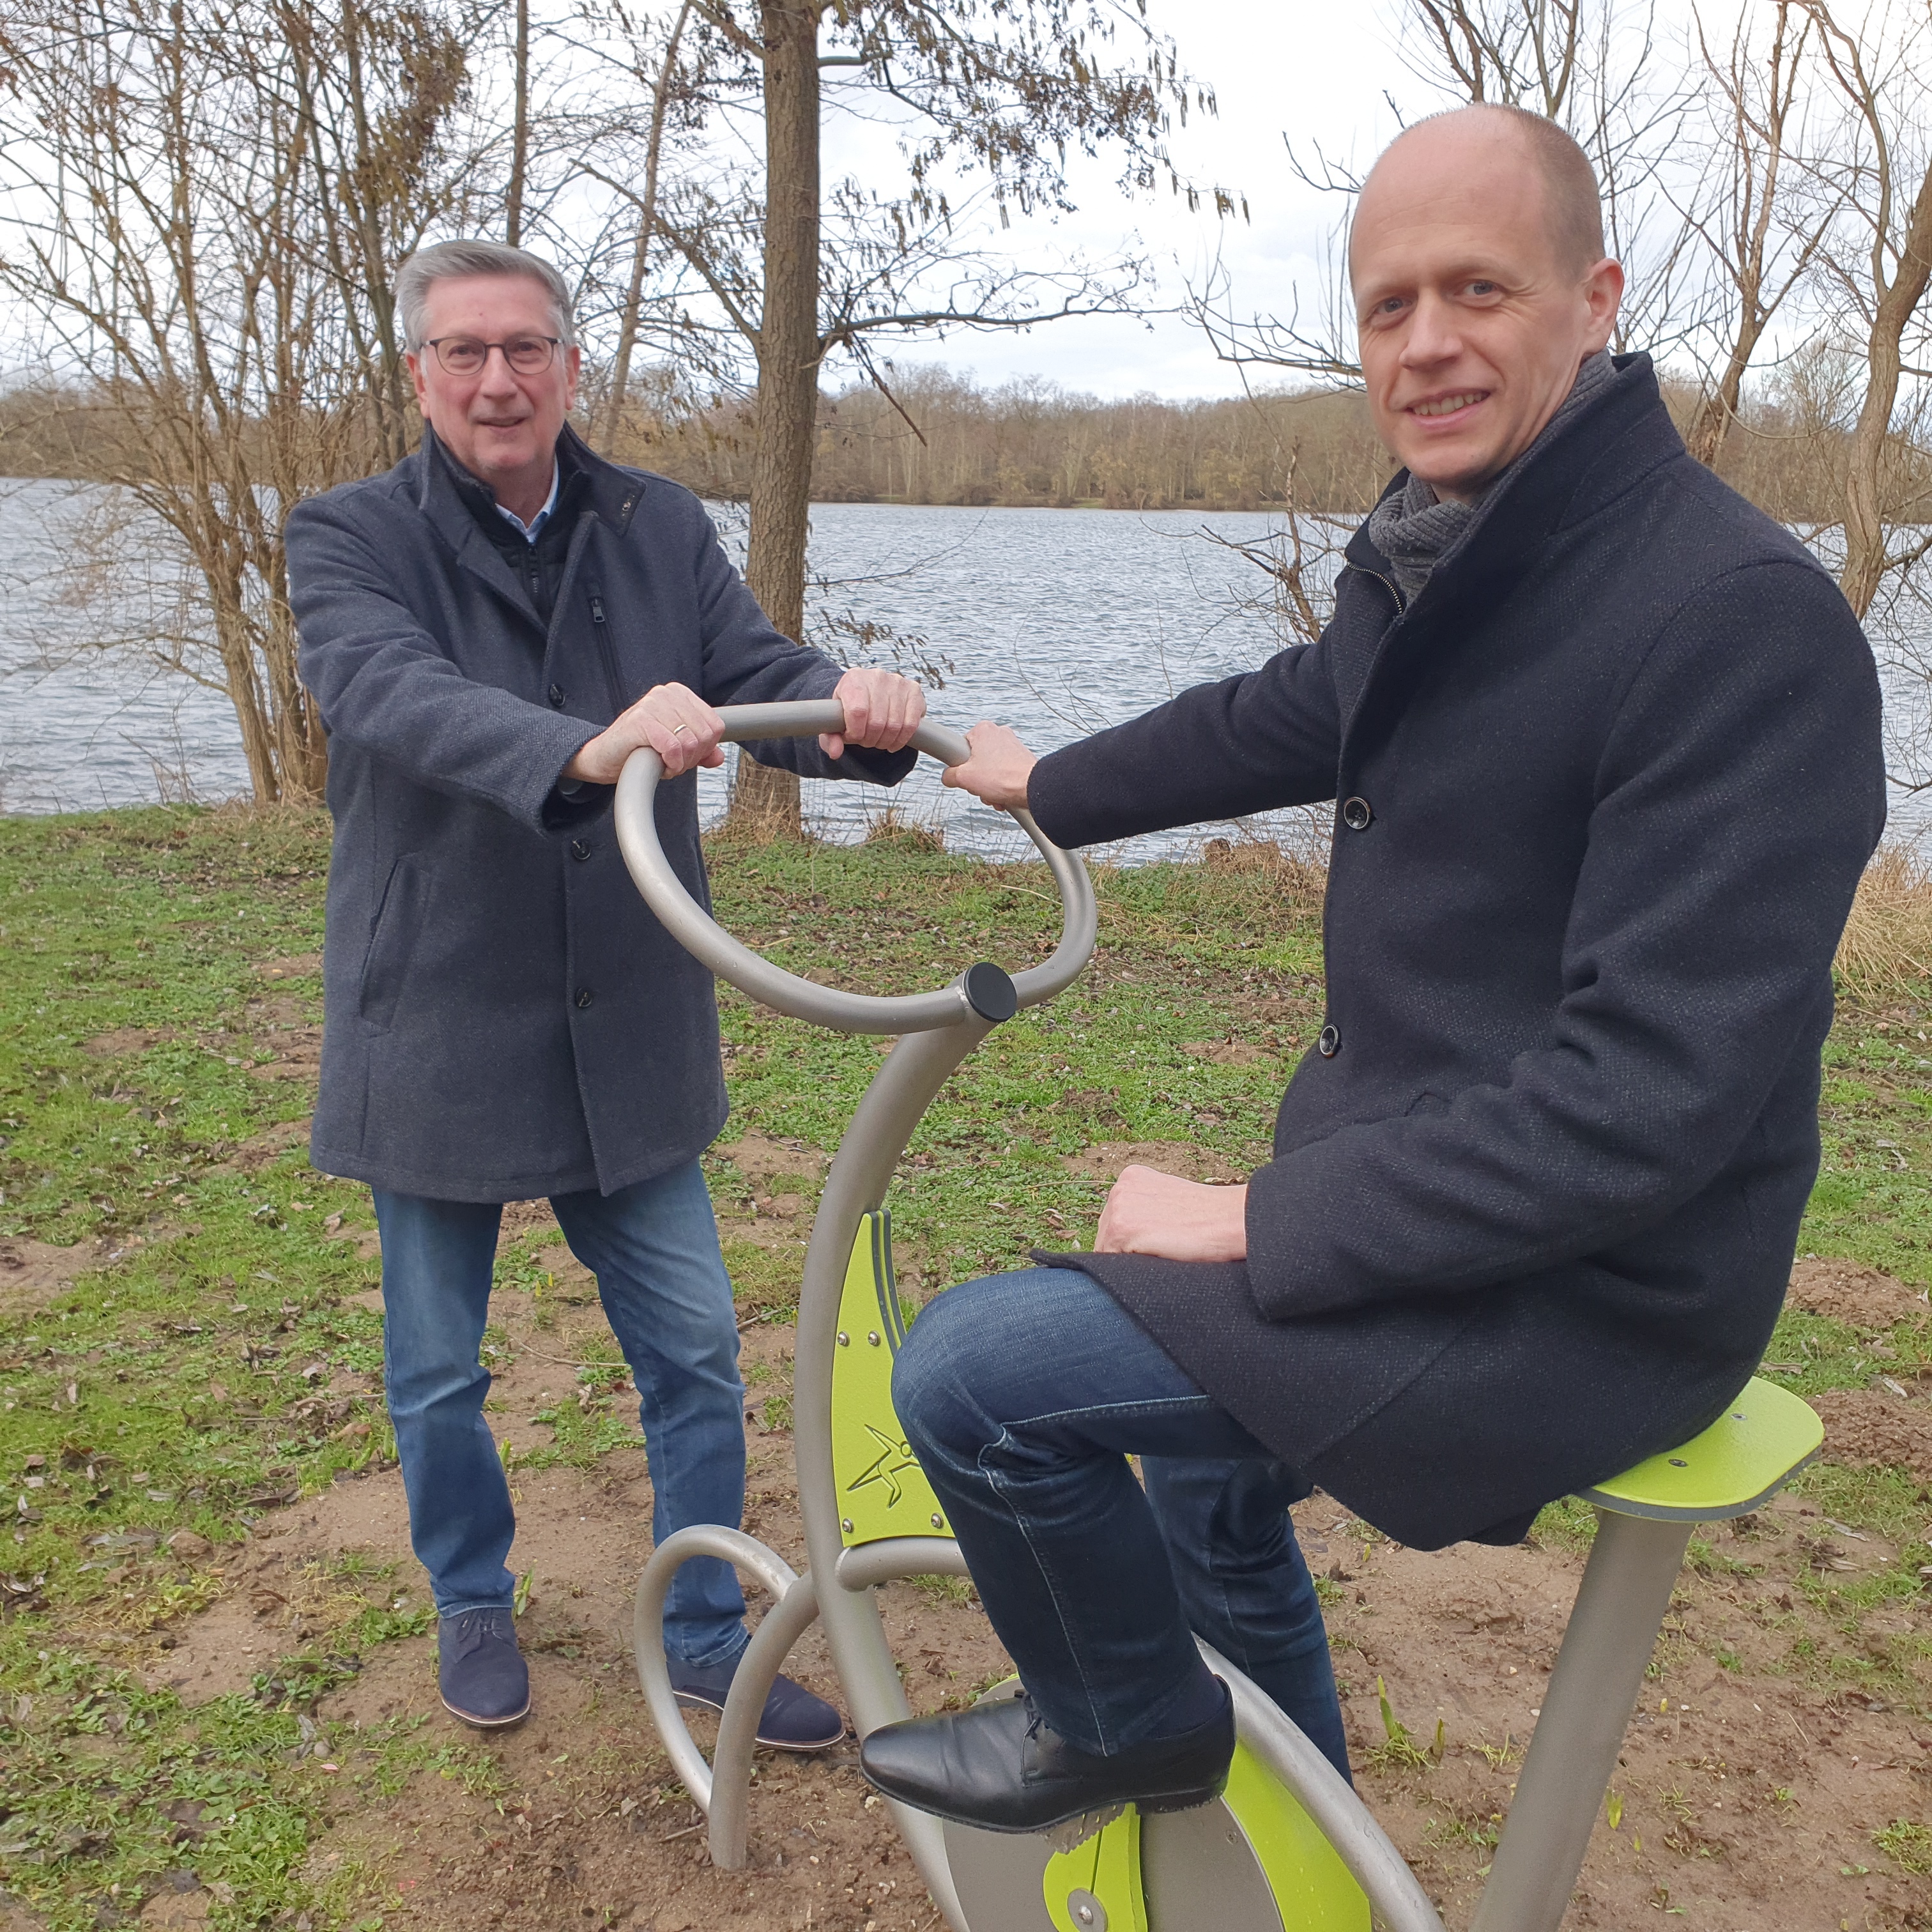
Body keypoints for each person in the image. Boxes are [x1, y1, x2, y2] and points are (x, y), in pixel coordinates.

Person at [856, 105, 1886, 1834]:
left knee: (974, 1378)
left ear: (1595, 297)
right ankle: (1288, 1825)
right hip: (1439, 1190)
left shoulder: (1731, 620)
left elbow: (1643, 1107)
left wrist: (1257, 1218)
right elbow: (1296, 711)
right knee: (1207, 1492)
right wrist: (1056, 782)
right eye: (1388, 303)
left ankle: (1119, 1723)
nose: (1427, 343)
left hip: (1600, 1289)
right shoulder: (1455, 556)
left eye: (1477, 288)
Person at [286, 238, 928, 1737]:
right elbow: (384, 689)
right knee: (439, 1367)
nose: (498, 379)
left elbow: (761, 676)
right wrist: (580, 745)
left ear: (571, 366)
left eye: (525, 349)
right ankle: (469, 1599)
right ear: (420, 374)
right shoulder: (347, 533)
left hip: (625, 1018)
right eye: (466, 352)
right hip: (435, 1011)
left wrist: (861, 719)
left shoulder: (656, 523)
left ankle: (708, 1627)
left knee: (696, 1352)